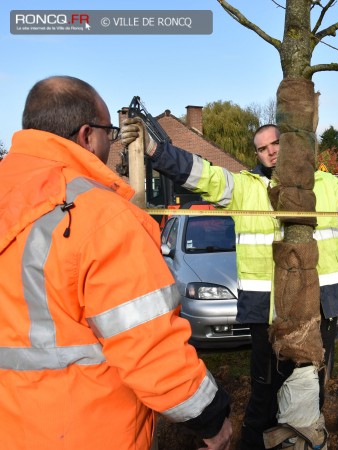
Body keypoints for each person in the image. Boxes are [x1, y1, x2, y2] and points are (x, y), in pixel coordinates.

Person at [120, 119, 338, 449]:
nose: (270, 152)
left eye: (276, 145)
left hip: (319, 308)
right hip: (267, 314)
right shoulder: (245, 188)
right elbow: (201, 173)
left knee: (312, 394)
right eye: (262, 148)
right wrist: (155, 149)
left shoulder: (324, 185)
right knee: (264, 396)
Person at [0, 76, 233, 450]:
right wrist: (210, 417)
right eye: (109, 131)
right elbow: (149, 346)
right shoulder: (101, 217)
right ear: (87, 135)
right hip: (85, 431)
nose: (111, 142)